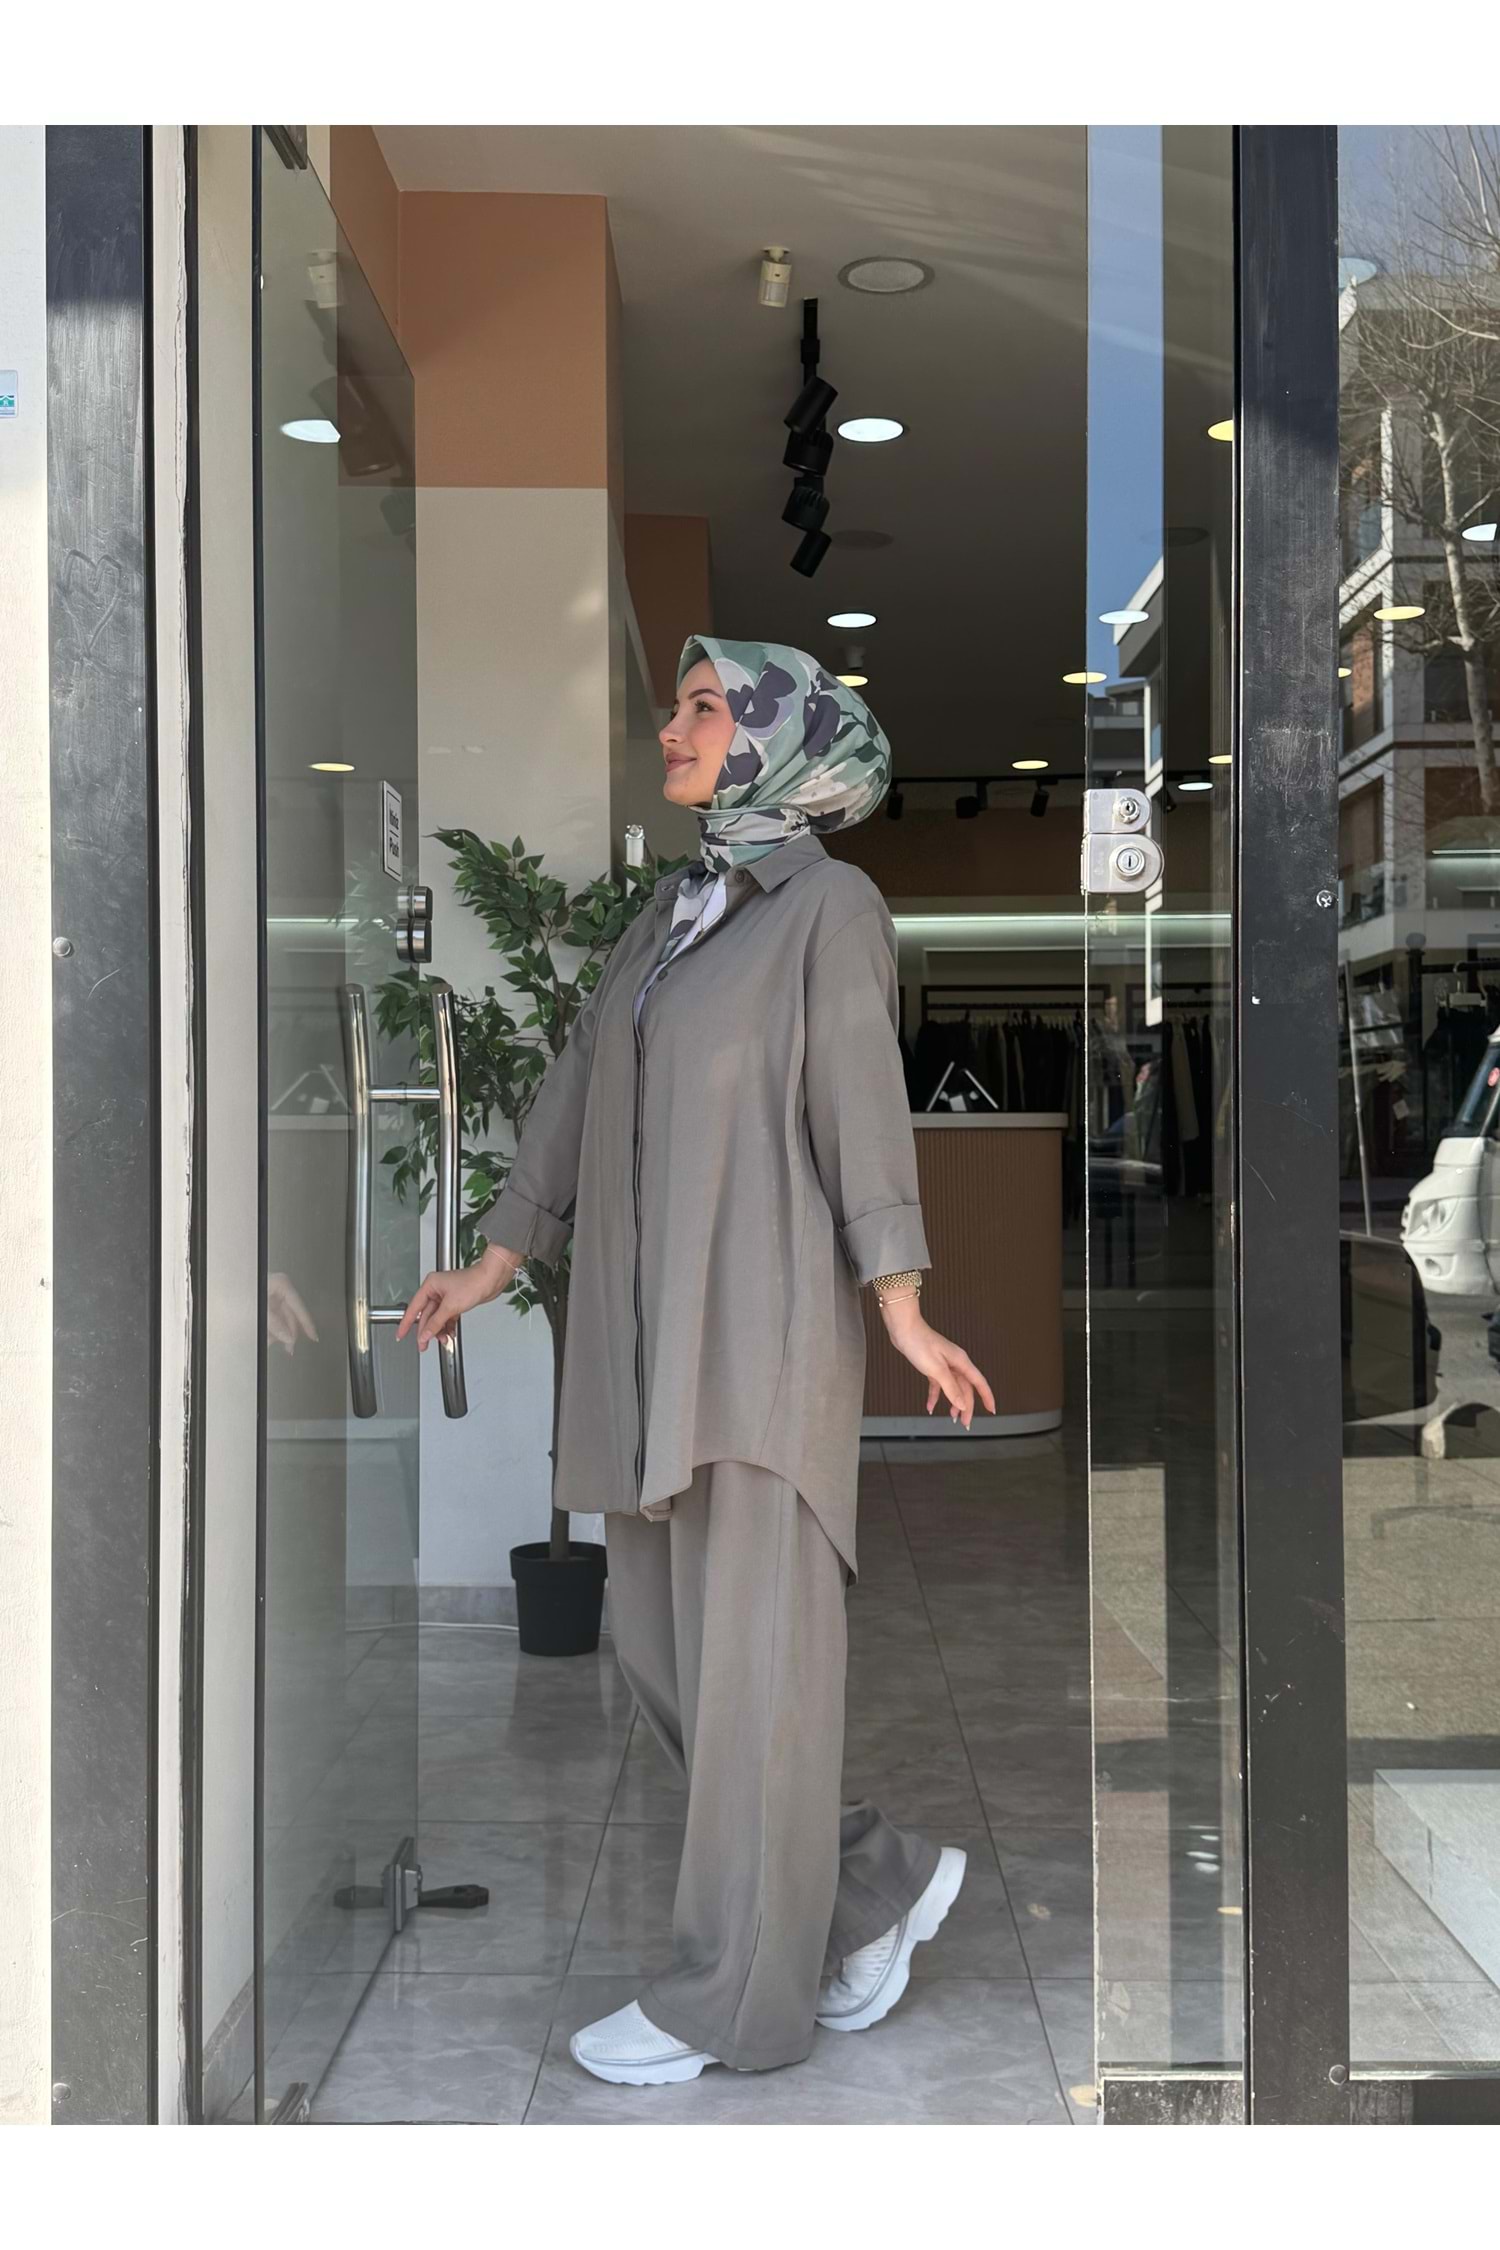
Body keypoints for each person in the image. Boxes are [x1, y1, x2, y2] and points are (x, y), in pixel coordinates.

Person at [398, 635, 995, 2086]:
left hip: (763, 1339)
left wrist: (900, 1302)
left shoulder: (830, 908)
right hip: (641, 1345)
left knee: (756, 1681)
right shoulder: (668, 917)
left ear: (781, 740)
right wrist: (495, 1256)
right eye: (679, 707)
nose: (674, 728)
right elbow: (575, 1086)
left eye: (708, 709)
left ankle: (736, 1999)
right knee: (670, 1662)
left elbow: (862, 1103)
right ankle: (873, 1879)